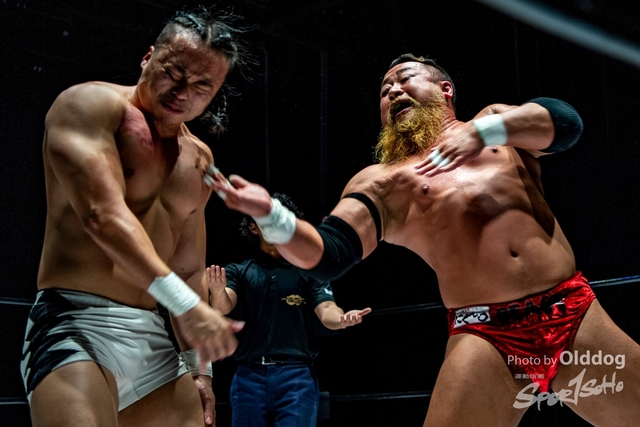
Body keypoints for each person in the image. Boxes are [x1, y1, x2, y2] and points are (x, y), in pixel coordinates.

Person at [206, 54, 640, 426]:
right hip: (485, 336)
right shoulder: (383, 182)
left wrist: (484, 132)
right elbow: (327, 254)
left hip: (571, 311)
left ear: (445, 89)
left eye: (404, 78)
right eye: (384, 90)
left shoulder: (495, 125)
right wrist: (274, 218)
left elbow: (564, 124)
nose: (393, 90)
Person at [20, 6, 252, 427]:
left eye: (202, 85)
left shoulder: (199, 159)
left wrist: (200, 368)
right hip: (76, 321)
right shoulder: (89, 105)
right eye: (174, 72)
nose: (183, 91)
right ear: (148, 57)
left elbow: (188, 267)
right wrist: (185, 304)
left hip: (153, 336)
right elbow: (102, 216)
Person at [207, 192, 371, 427]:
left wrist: (342, 318)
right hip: (248, 377)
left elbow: (327, 309)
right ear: (253, 227)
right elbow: (223, 305)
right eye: (265, 218)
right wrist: (217, 290)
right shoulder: (238, 271)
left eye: (277, 218)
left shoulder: (308, 270)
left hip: (296, 376)